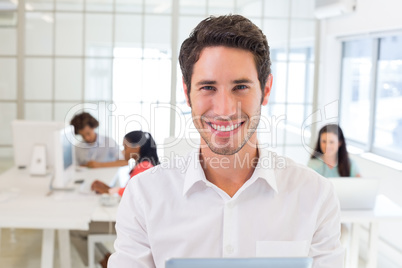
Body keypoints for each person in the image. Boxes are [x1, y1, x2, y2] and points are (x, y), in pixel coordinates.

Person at [108, 15, 343, 268]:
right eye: (208, 87)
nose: (224, 109)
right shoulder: (145, 195)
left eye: (240, 86)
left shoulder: (315, 195)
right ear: (187, 94)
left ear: (265, 90)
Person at [91, 130, 160, 196]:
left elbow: (131, 194)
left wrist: (108, 191)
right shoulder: (144, 165)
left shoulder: (144, 167)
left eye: (125, 147)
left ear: (136, 148)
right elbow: (130, 189)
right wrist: (108, 188)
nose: (122, 152)